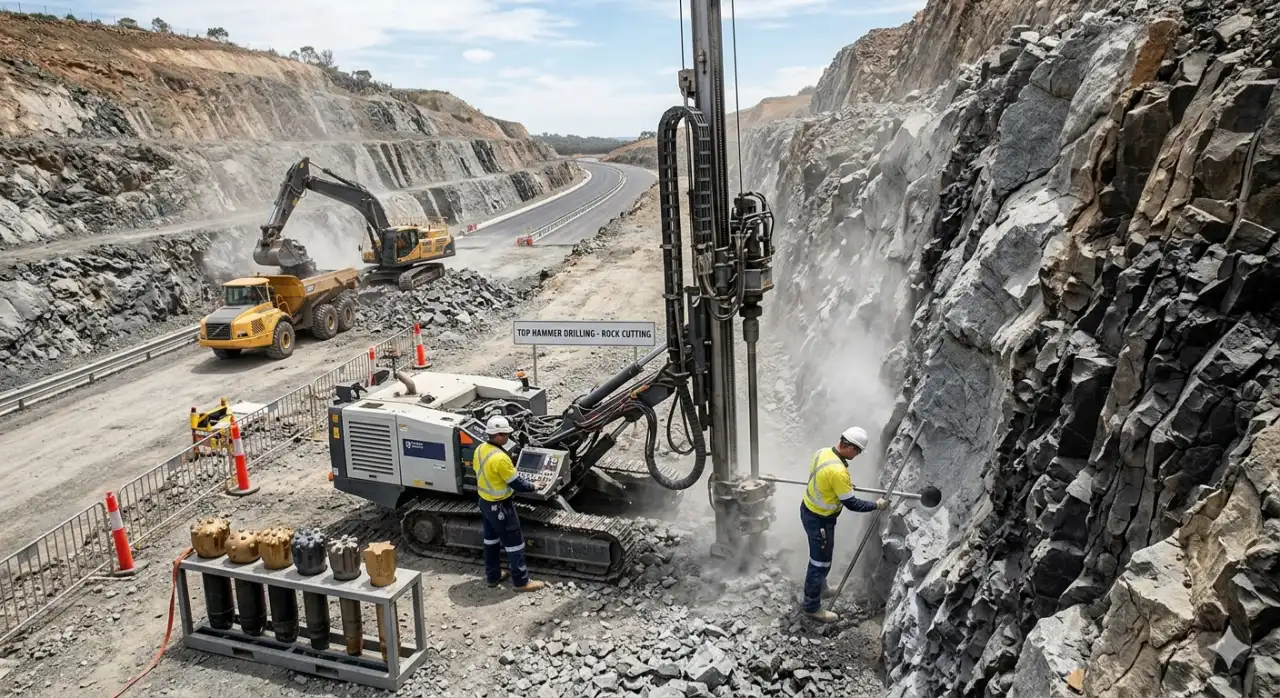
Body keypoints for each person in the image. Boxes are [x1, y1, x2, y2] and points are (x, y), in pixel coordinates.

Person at [799, 426, 888, 622]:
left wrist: (840, 488)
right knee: (819, 563)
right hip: (820, 519)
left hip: (809, 509)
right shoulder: (838, 471)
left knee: (822, 560)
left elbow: (821, 477)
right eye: (857, 451)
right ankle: (812, 607)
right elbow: (852, 503)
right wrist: (876, 505)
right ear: (850, 447)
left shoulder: (822, 452)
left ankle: (821, 589)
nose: (857, 455)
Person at [473, 415, 546, 592]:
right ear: (497, 435)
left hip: (485, 502)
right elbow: (518, 484)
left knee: (491, 541)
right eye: (505, 434)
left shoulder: (481, 449)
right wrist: (534, 485)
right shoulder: (500, 458)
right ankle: (521, 582)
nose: (508, 437)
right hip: (501, 507)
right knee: (515, 543)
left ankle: (493, 576)